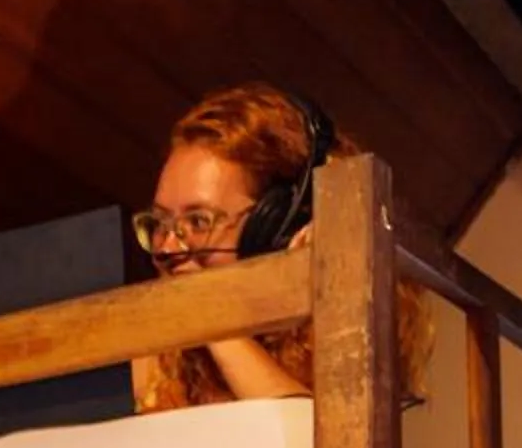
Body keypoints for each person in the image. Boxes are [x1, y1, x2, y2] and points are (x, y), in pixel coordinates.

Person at [131, 82, 435, 413]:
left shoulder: (341, 331)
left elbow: (312, 447)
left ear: (273, 226)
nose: (167, 247)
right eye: (160, 223)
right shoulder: (159, 358)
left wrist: (214, 324)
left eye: (199, 222)